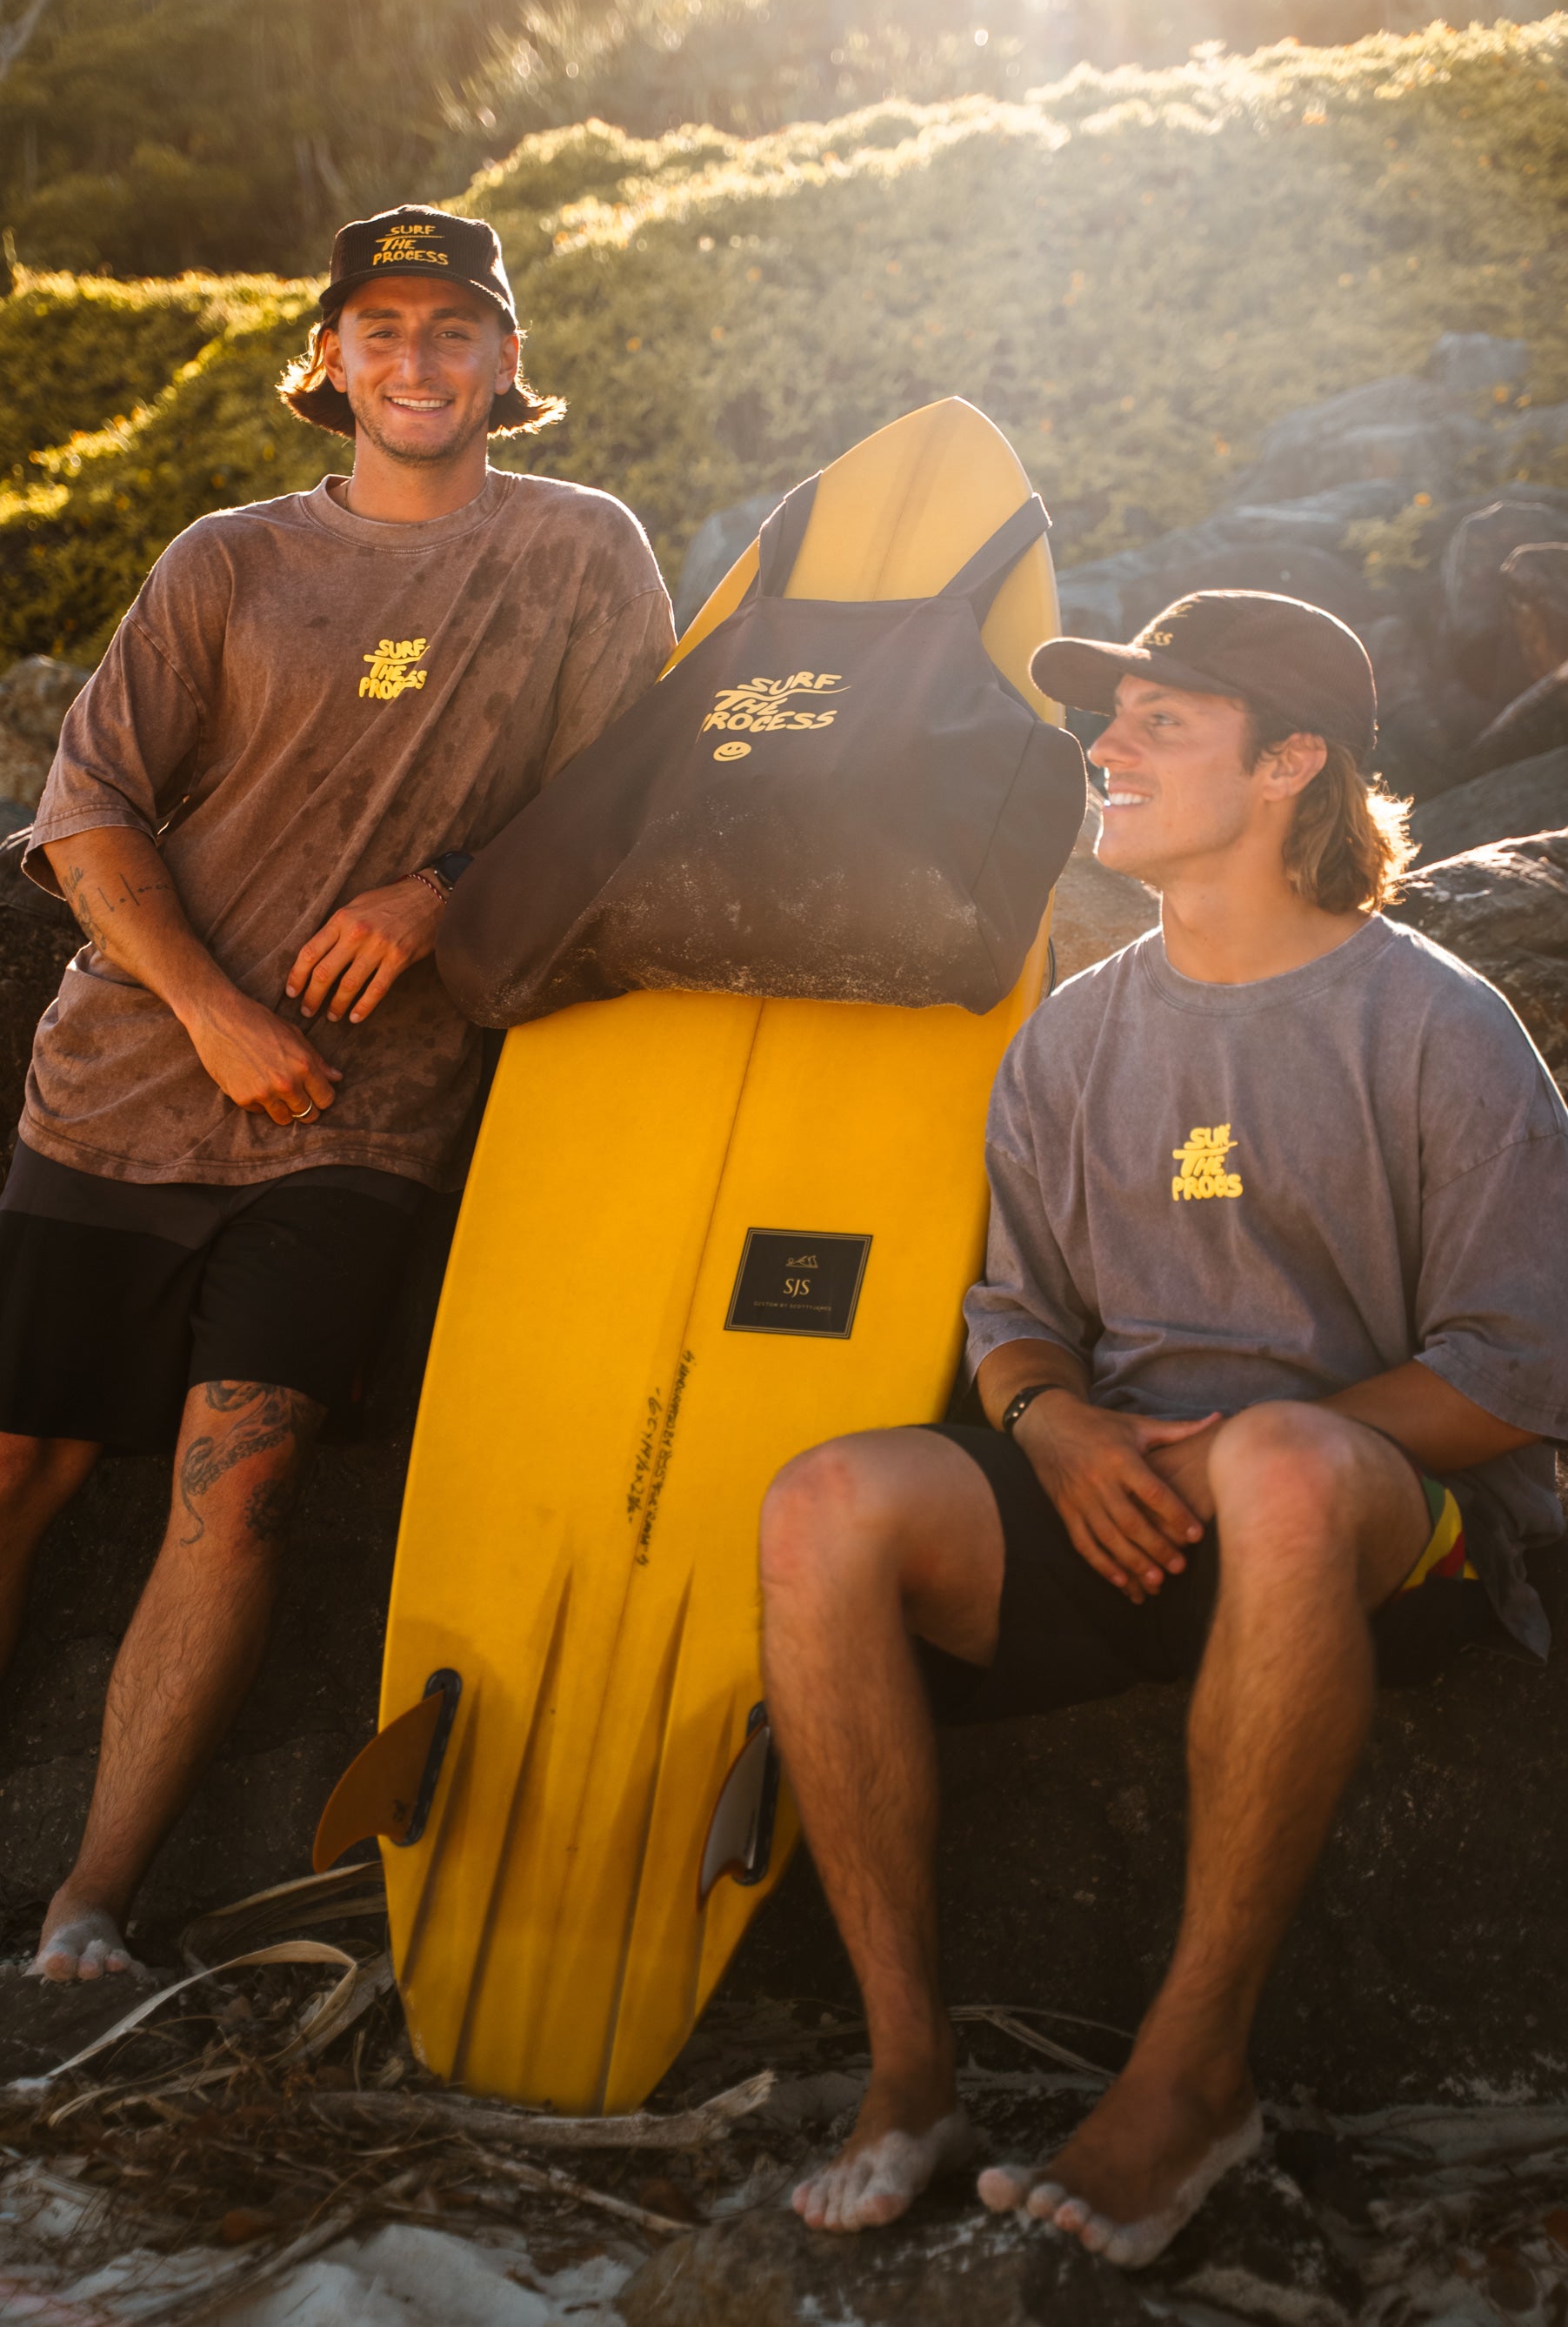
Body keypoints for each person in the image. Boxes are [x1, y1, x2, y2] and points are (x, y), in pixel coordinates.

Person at [758, 590, 1568, 2264]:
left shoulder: (1436, 1024)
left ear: (1289, 765)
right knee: (826, 1500)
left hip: (1374, 1531)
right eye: (1106, 717)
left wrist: (1255, 1443)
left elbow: (1518, 1369)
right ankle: (911, 2079)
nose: (1106, 748)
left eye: (1161, 721)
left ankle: (1193, 2078)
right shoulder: (1073, 1032)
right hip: (1119, 1508)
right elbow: (1012, 1312)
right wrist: (1051, 1426)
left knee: (1278, 1463)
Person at [0, 203, 674, 1982]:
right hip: (122, 1082)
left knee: (242, 1481)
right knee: (15, 1462)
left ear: (507, 361)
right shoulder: (227, 559)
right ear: (329, 359)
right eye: (381, 328)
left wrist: (439, 891)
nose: (416, 359)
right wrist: (210, 1007)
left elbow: (622, 806)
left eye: (453, 329)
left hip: (361, 1117)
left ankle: (88, 1905)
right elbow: (87, 811)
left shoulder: (580, 551)